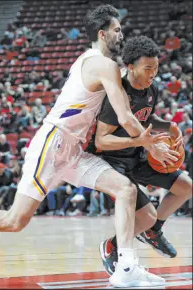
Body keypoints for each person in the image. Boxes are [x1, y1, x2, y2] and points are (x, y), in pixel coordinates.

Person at [0, 5, 174, 287]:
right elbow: (124, 115)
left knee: (124, 189)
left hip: (75, 151)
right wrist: (150, 144)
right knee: (14, 221)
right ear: (102, 33)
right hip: (55, 142)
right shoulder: (103, 64)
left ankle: (126, 267)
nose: (121, 34)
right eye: (117, 29)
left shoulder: (106, 65)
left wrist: (157, 126)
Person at [85, 35, 192, 275]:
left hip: (138, 154)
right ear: (130, 66)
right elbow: (102, 140)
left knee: (186, 187)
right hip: (112, 162)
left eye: (156, 68)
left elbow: (146, 119)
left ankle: (153, 232)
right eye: (148, 68)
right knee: (145, 216)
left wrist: (169, 126)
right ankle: (111, 247)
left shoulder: (151, 88)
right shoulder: (118, 94)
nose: (153, 73)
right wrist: (145, 142)